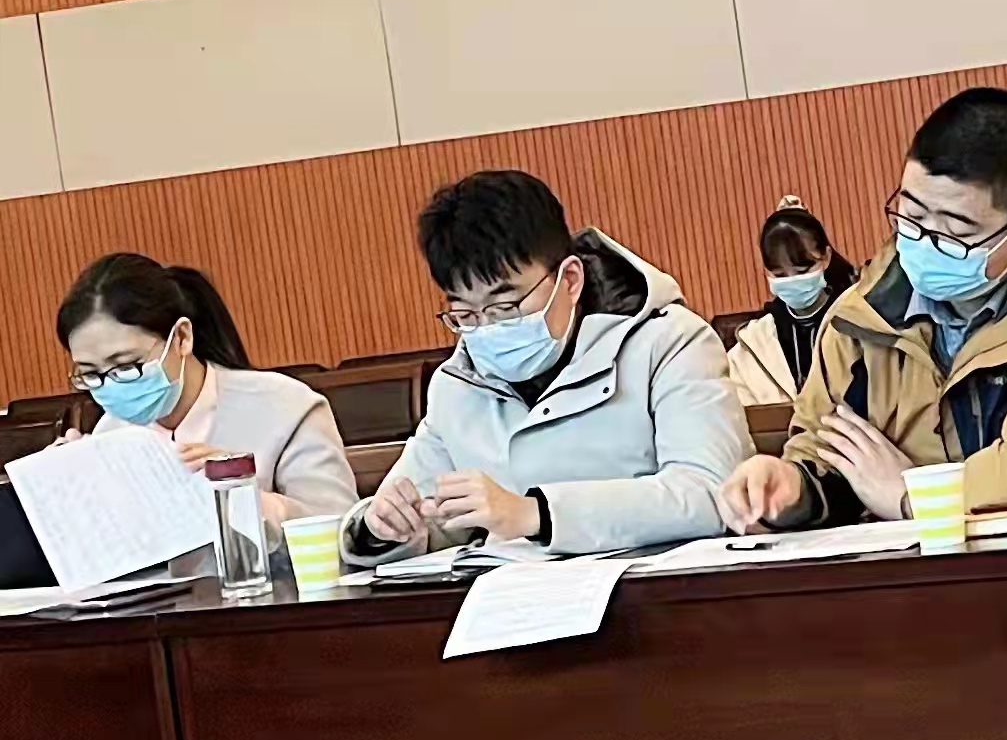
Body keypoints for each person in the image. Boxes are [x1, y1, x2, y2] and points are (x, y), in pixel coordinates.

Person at [718, 87, 1007, 530]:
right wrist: (788, 488)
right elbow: (825, 451)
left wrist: (911, 498)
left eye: (955, 231)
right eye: (911, 216)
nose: (924, 242)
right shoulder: (861, 313)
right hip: (907, 562)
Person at [343, 171, 752, 564]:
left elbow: (711, 493)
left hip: (660, 594)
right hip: (513, 597)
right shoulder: (458, 384)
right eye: (465, 314)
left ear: (569, 280)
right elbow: (423, 511)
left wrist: (535, 514)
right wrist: (379, 528)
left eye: (506, 306)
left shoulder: (668, 341)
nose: (488, 328)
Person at [55, 254, 355, 524]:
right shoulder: (110, 434)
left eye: (126, 366)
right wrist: (66, 494)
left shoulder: (287, 407)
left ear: (182, 338)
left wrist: (245, 498)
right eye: (90, 374)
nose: (111, 385)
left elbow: (341, 532)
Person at [727, 196, 861, 406]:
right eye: (779, 275)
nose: (791, 280)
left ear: (826, 257)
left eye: (802, 271)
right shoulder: (753, 343)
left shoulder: (859, 320)